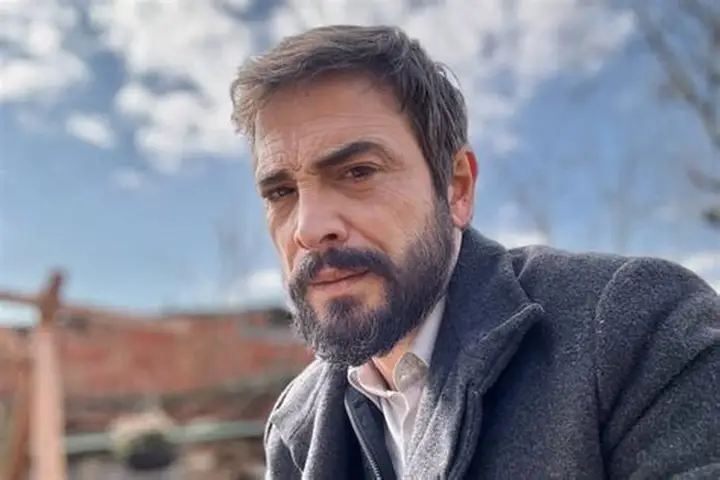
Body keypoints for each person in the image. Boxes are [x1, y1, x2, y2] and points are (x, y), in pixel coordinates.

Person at [229, 24, 720, 480]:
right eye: (281, 193)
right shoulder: (296, 427)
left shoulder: (636, 327)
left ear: (457, 188)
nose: (309, 228)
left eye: (358, 172)